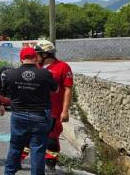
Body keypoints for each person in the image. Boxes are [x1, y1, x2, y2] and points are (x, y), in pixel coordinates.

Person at [3, 47, 58, 175]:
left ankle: (9, 173)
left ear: (21, 58)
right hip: (40, 116)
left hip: (18, 115)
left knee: (15, 147)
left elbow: (5, 94)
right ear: (35, 58)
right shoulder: (46, 74)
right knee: (38, 150)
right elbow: (56, 90)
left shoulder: (10, 74)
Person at [34, 40, 74, 169]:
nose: (36, 56)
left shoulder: (63, 67)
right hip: (35, 109)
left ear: (46, 54)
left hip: (54, 110)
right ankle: (21, 160)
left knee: (52, 138)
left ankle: (51, 163)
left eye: (38, 53)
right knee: (30, 136)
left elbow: (68, 89)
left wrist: (65, 110)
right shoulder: (35, 66)